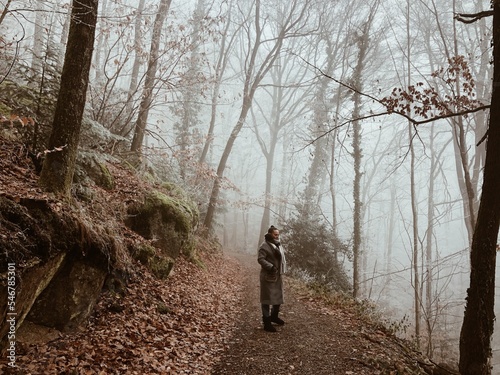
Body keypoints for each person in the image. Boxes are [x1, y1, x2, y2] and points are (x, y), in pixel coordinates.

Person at [257, 225, 287, 332]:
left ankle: (274, 317)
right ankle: (267, 323)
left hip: (277, 276)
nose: (277, 236)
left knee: (278, 297)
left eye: (278, 234)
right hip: (267, 276)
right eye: (275, 234)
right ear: (270, 234)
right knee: (266, 300)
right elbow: (260, 259)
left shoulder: (277, 244)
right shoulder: (264, 246)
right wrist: (271, 267)